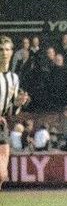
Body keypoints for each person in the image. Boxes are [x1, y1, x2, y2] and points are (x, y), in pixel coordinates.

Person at [0, 36, 29, 188]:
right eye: (1, 50)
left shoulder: (14, 78)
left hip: (1, 126)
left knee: (2, 174)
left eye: (7, 49)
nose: (4, 53)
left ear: (12, 52)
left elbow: (11, 110)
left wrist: (18, 103)